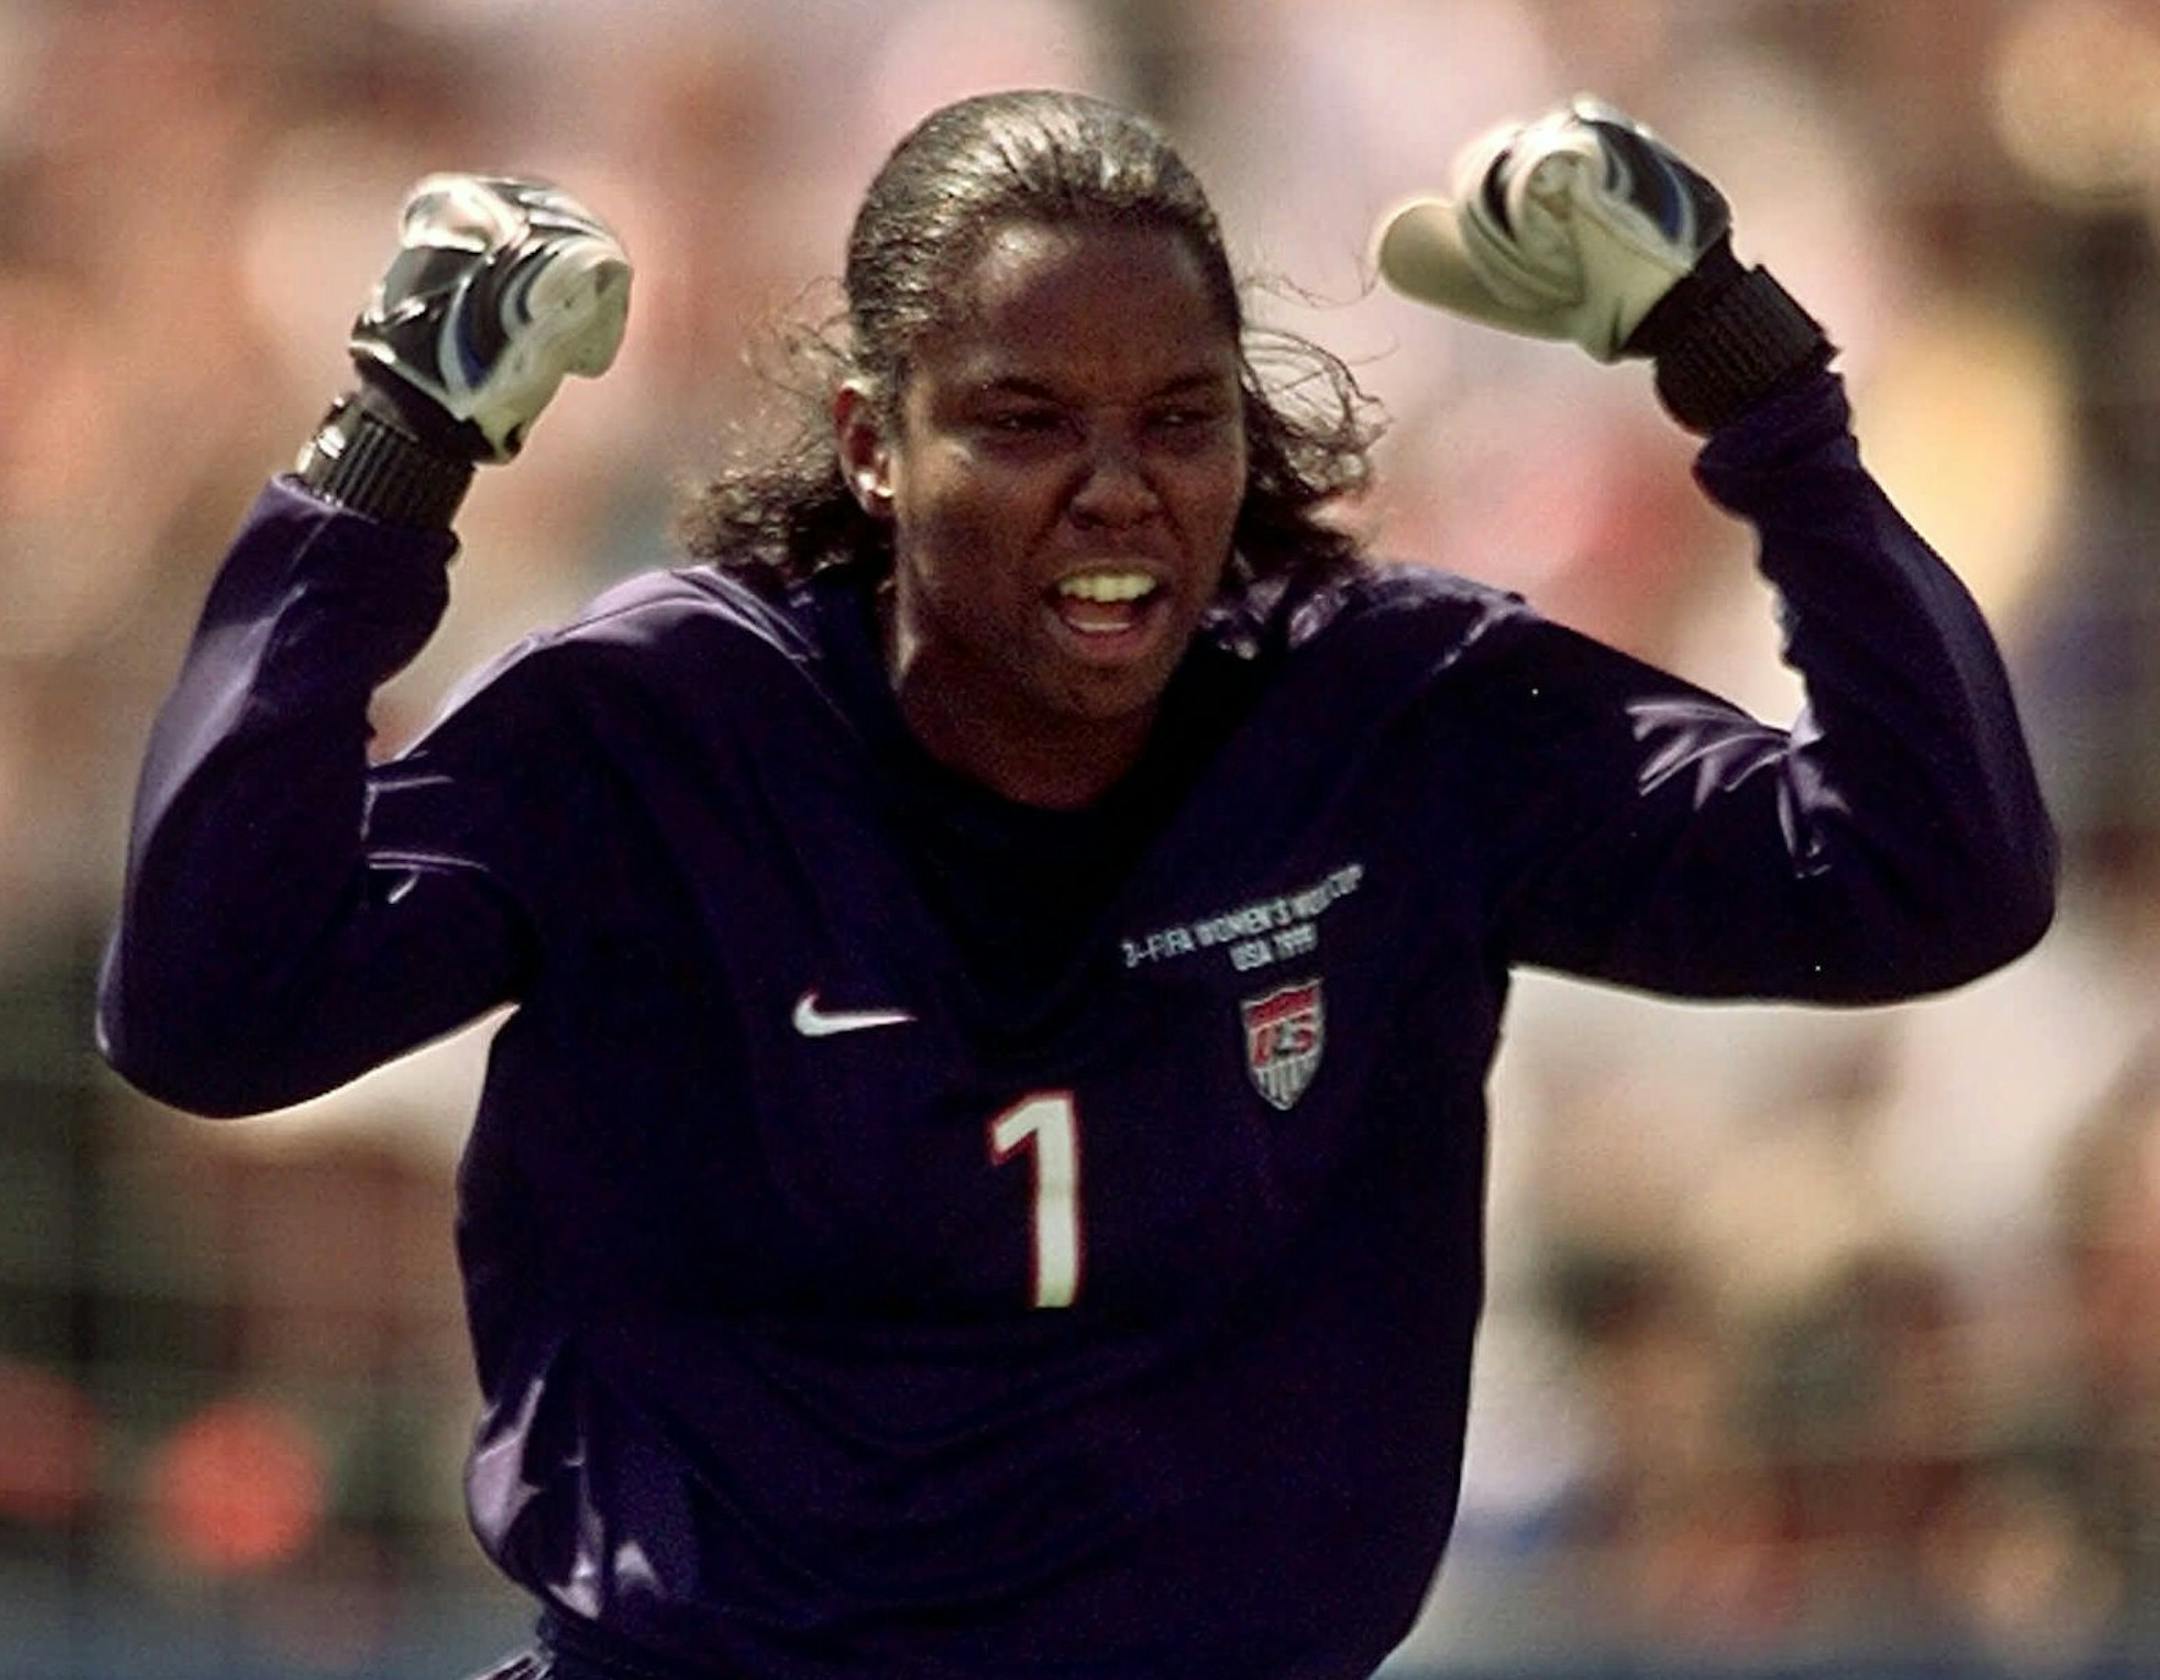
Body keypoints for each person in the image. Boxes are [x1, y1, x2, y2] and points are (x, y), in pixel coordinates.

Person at [97, 89, 2055, 1680]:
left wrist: (1745, 374)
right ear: (877, 442)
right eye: (1028, 421)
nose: (1118, 489)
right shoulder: (669, 726)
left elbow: (1932, 876)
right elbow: (210, 1009)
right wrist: (393, 447)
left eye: (1178, 420)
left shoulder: (1394, 715)